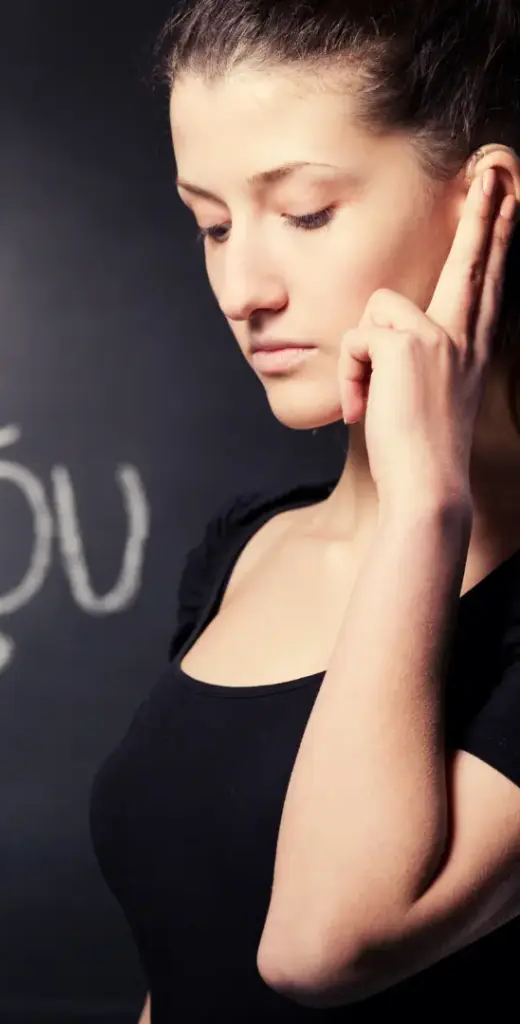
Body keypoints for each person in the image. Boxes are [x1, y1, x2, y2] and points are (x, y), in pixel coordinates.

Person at [88, 1, 520, 1019]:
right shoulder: (247, 550)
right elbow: (185, 971)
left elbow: (320, 946)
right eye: (212, 223)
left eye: (304, 213)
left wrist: (422, 503)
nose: (242, 287)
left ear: (484, 201)